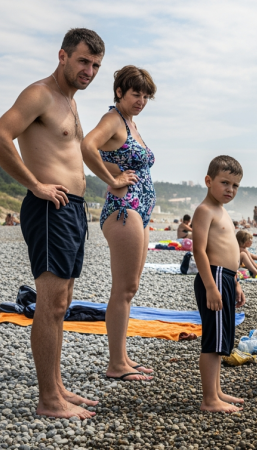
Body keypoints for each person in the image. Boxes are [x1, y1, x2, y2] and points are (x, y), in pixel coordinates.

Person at [0, 28, 104, 419]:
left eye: (96, 65)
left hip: (73, 209)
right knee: (50, 306)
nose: (89, 70)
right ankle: (48, 400)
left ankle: (57, 387)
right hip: (50, 208)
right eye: (83, 61)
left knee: (62, 304)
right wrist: (34, 184)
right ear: (63, 56)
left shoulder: (69, 101)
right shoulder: (40, 94)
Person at [81, 65, 158, 382]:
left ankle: (123, 357)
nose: (140, 99)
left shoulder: (130, 123)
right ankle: (115, 364)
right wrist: (111, 178)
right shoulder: (113, 119)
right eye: (135, 93)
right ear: (119, 92)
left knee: (131, 288)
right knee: (123, 288)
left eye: (145, 95)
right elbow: (87, 145)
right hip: (124, 209)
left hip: (140, 210)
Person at [191, 155, 247, 413]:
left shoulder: (222, 211)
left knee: (222, 338)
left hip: (225, 277)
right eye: (225, 183)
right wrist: (212, 287)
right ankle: (209, 400)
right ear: (208, 181)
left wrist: (234, 282)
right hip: (213, 277)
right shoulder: (204, 211)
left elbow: (231, 249)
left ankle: (217, 390)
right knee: (213, 341)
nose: (230, 190)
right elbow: (199, 251)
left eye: (235, 185)